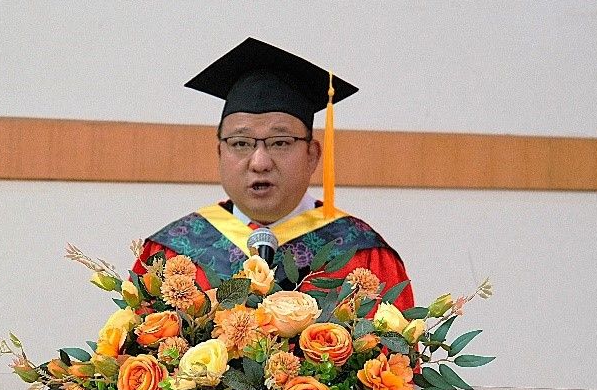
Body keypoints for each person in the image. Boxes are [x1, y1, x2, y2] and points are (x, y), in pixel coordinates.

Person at [132, 38, 414, 310]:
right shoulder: (171, 255)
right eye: (240, 143)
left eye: (280, 142)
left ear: (312, 155)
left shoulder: (362, 256)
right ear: (219, 153)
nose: (259, 162)